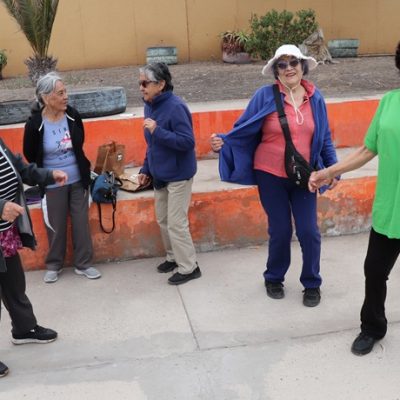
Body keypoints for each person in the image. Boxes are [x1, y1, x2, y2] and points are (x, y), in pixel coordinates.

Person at [210, 44, 338, 306]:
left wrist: (333, 168)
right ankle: (274, 277)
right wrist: (222, 143)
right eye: (282, 64)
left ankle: (312, 283)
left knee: (309, 231)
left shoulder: (315, 98)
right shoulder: (265, 96)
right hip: (269, 174)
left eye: (294, 63)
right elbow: (242, 129)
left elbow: (324, 137)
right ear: (276, 70)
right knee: (280, 230)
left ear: (303, 66)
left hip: (304, 176)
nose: (289, 68)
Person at [309, 41, 400, 355]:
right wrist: (328, 172)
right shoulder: (389, 102)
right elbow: (366, 150)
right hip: (390, 208)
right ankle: (372, 327)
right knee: (374, 270)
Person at [23, 72, 101, 283]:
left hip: (78, 179)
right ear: (46, 97)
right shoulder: (34, 123)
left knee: (81, 224)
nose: (66, 96)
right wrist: (47, 175)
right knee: (55, 226)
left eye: (66, 91)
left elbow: (79, 143)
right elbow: (29, 153)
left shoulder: (73, 116)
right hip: (52, 182)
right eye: (60, 93)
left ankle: (83, 264)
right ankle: (54, 264)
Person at [0, 137, 67, 377]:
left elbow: (20, 168)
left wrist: (48, 175)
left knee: (14, 283)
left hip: (4, 232)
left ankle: (24, 329)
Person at [137, 62, 201, 285]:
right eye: (140, 83)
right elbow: (152, 144)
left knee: (176, 223)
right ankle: (174, 257)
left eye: (145, 83)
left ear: (161, 84)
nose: (141, 88)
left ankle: (189, 267)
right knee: (163, 220)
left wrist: (158, 130)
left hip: (179, 175)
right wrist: (146, 169)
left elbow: (187, 142)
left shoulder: (176, 107)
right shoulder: (149, 106)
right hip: (159, 174)